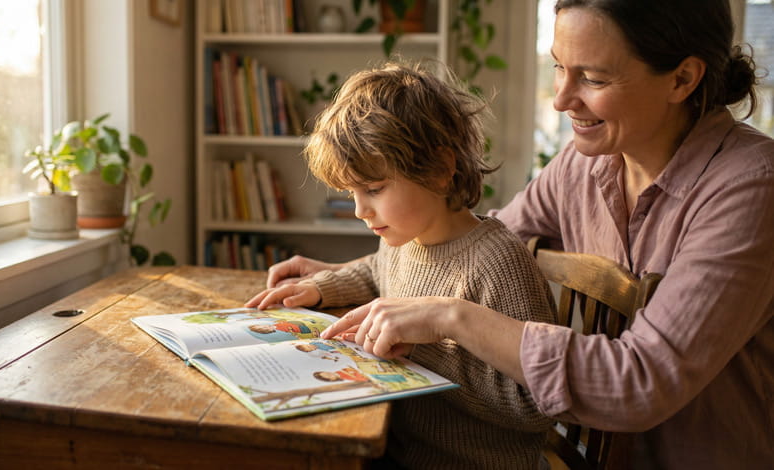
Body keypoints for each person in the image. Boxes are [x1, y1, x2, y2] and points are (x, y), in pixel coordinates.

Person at [263, 1, 774, 468]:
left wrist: (449, 317)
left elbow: (638, 382)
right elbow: (464, 244)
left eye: (593, 77)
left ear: (682, 78)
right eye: (559, 66)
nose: (561, 100)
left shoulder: (751, 188)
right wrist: (346, 279)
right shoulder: (581, 165)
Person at [245, 61, 557, 469]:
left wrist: (425, 352)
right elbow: (378, 271)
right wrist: (323, 287)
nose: (359, 209)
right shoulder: (405, 241)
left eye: (373, 188)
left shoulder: (497, 262)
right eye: (351, 192)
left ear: (441, 170)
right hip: (400, 449)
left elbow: (537, 406)